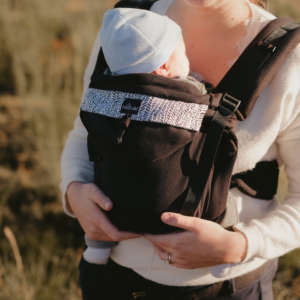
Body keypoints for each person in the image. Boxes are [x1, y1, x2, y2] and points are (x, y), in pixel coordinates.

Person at [61, 0, 300, 299]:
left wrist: (240, 246)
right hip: (115, 278)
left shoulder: (290, 57)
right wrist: (73, 191)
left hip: (227, 287)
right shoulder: (129, 24)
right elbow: (85, 132)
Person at [83, 7, 207, 265]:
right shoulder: (186, 96)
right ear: (163, 67)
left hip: (112, 209)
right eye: (182, 52)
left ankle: (97, 247)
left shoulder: (105, 91)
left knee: (110, 183)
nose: (187, 58)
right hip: (172, 214)